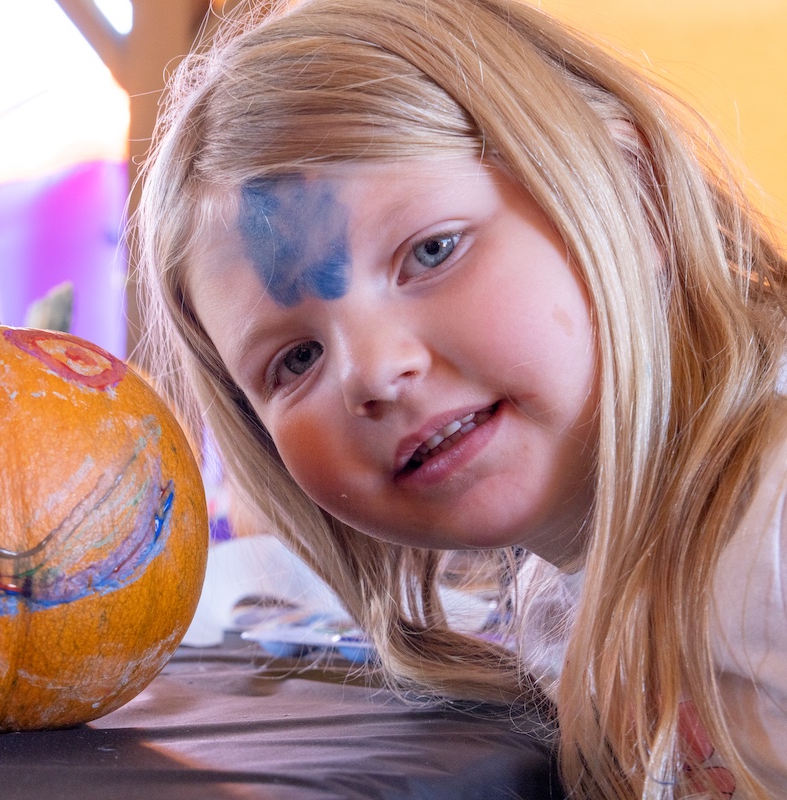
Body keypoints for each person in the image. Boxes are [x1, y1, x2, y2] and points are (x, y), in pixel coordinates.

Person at [131, 0, 787, 797]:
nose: (372, 373)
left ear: (634, 195)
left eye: (431, 252)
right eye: (297, 358)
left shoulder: (770, 529)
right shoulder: (561, 601)